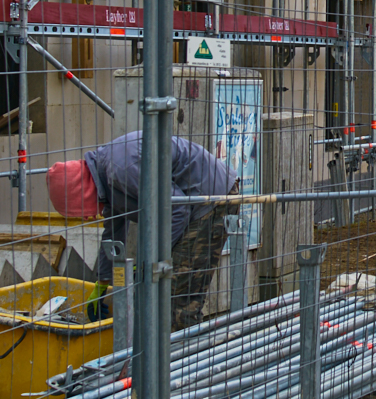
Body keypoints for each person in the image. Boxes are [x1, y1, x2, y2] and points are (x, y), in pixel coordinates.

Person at [46, 132, 242, 330]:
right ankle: (172, 346)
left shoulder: (122, 171)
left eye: (81, 210)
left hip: (210, 200)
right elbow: (113, 233)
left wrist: (150, 259)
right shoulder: (106, 177)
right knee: (164, 290)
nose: (87, 217)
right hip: (196, 202)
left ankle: (184, 349)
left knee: (178, 297)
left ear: (82, 192)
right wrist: (102, 283)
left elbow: (178, 209)